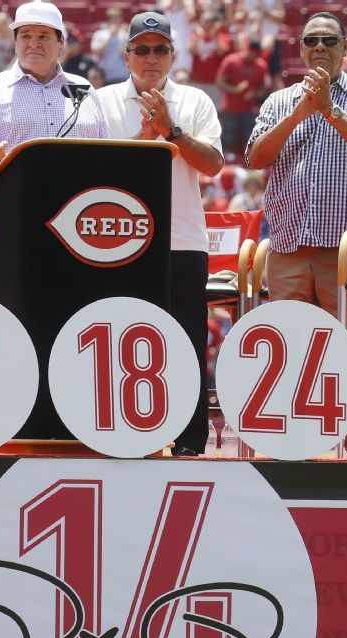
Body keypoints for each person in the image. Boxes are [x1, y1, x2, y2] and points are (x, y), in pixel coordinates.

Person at [247, 11, 347, 457]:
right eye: (312, 40)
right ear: (301, 49)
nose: (320, 48)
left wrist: (329, 110)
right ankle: (293, 442)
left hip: (346, 249)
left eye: (330, 40)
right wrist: (300, 114)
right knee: (289, 346)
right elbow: (255, 157)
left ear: (346, 49)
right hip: (289, 243)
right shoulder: (279, 101)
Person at [97, 10, 224, 457]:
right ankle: (121, 434)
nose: (152, 58)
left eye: (160, 49)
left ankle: (190, 442)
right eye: (143, 49)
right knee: (120, 338)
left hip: (181, 238)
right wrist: (143, 138)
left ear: (173, 54)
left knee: (186, 340)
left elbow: (212, 165)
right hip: (116, 238)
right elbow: (92, 171)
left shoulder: (195, 101)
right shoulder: (101, 101)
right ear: (127, 55)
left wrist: (170, 130)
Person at [0, 0, 109, 252]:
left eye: (43, 35)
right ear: (15, 42)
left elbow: (105, 154)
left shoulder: (83, 90)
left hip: (80, 228)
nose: (33, 42)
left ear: (61, 44)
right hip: (11, 225)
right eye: (25, 35)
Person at [217, 34, 271, 154]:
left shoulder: (261, 65)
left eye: (257, 53)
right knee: (228, 139)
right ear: (248, 49)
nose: (255, 56)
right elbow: (220, 82)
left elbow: (263, 88)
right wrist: (235, 90)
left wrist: (255, 94)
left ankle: (248, 164)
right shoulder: (231, 60)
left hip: (249, 109)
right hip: (230, 108)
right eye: (253, 52)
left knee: (250, 139)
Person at [90, 7, 129, 84]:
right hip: (104, 76)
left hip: (122, 75)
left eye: (118, 18)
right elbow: (97, 52)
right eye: (113, 19)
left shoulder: (125, 35)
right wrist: (110, 36)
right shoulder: (99, 34)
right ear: (109, 20)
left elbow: (126, 54)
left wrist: (123, 37)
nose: (116, 21)